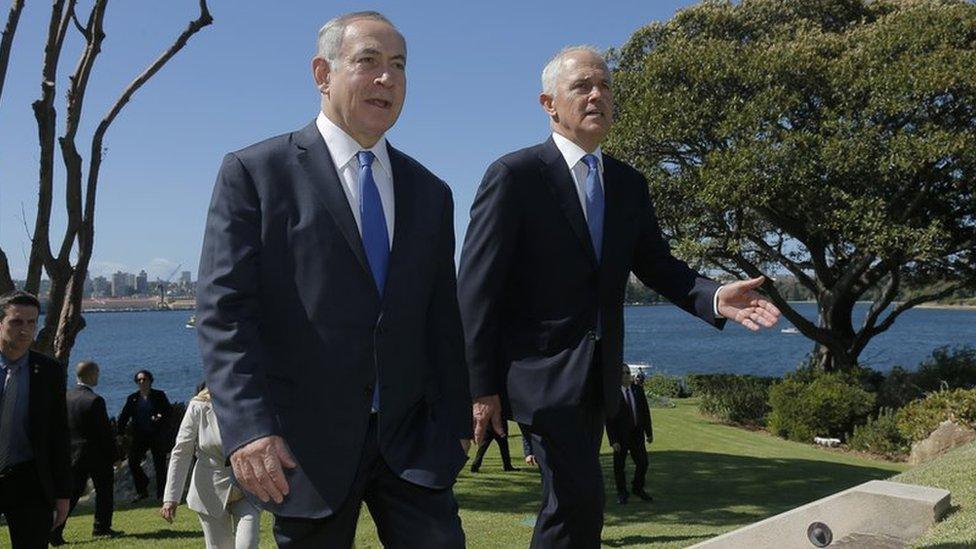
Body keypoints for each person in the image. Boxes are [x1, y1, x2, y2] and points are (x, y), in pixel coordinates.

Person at [458, 45, 781, 548]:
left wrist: (715, 296)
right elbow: (476, 288)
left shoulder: (629, 184)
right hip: (538, 378)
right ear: (549, 103)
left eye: (605, 86)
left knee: (578, 507)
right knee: (575, 501)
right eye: (582, 86)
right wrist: (480, 388)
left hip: (600, 378)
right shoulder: (514, 176)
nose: (597, 95)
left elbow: (657, 265)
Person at [196, 11, 471, 548]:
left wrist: (455, 421)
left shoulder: (430, 192)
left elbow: (442, 315)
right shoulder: (255, 173)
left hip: (413, 445)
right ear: (323, 73)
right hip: (302, 449)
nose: (387, 79)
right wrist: (249, 428)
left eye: (398, 66)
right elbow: (224, 313)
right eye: (368, 61)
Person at [0, 291, 71, 547]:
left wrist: (63, 494)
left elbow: (59, 434)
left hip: (29, 478)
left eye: (32, 322)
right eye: (17, 322)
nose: (25, 330)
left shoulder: (49, 371)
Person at [160, 384, 261, 549]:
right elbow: (181, 452)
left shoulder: (250, 400)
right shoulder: (197, 407)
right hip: (209, 491)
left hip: (247, 488)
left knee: (247, 545)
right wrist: (171, 498)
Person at [50, 361, 123, 546]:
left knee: (71, 495)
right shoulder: (95, 400)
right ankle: (101, 528)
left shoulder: (65, 397)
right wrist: (115, 456)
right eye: (97, 373)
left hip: (72, 454)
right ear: (91, 375)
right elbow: (104, 433)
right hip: (97, 456)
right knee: (105, 492)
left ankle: (56, 529)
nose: (98, 376)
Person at [117, 369, 172, 500]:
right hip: (140, 436)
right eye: (139, 380)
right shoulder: (133, 399)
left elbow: (168, 412)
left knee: (160, 466)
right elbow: (124, 416)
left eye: (144, 379)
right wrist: (120, 432)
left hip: (156, 435)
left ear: (150, 381)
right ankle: (142, 489)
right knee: (133, 462)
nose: (142, 382)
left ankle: (162, 494)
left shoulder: (159, 395)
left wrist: (160, 417)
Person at [606, 366, 653, 505]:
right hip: (620, 437)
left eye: (628, 372)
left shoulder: (637, 390)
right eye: (623, 373)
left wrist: (649, 433)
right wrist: (613, 440)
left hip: (637, 434)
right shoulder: (613, 394)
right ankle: (622, 493)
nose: (627, 375)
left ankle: (637, 488)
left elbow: (645, 412)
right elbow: (609, 419)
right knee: (619, 467)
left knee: (643, 463)